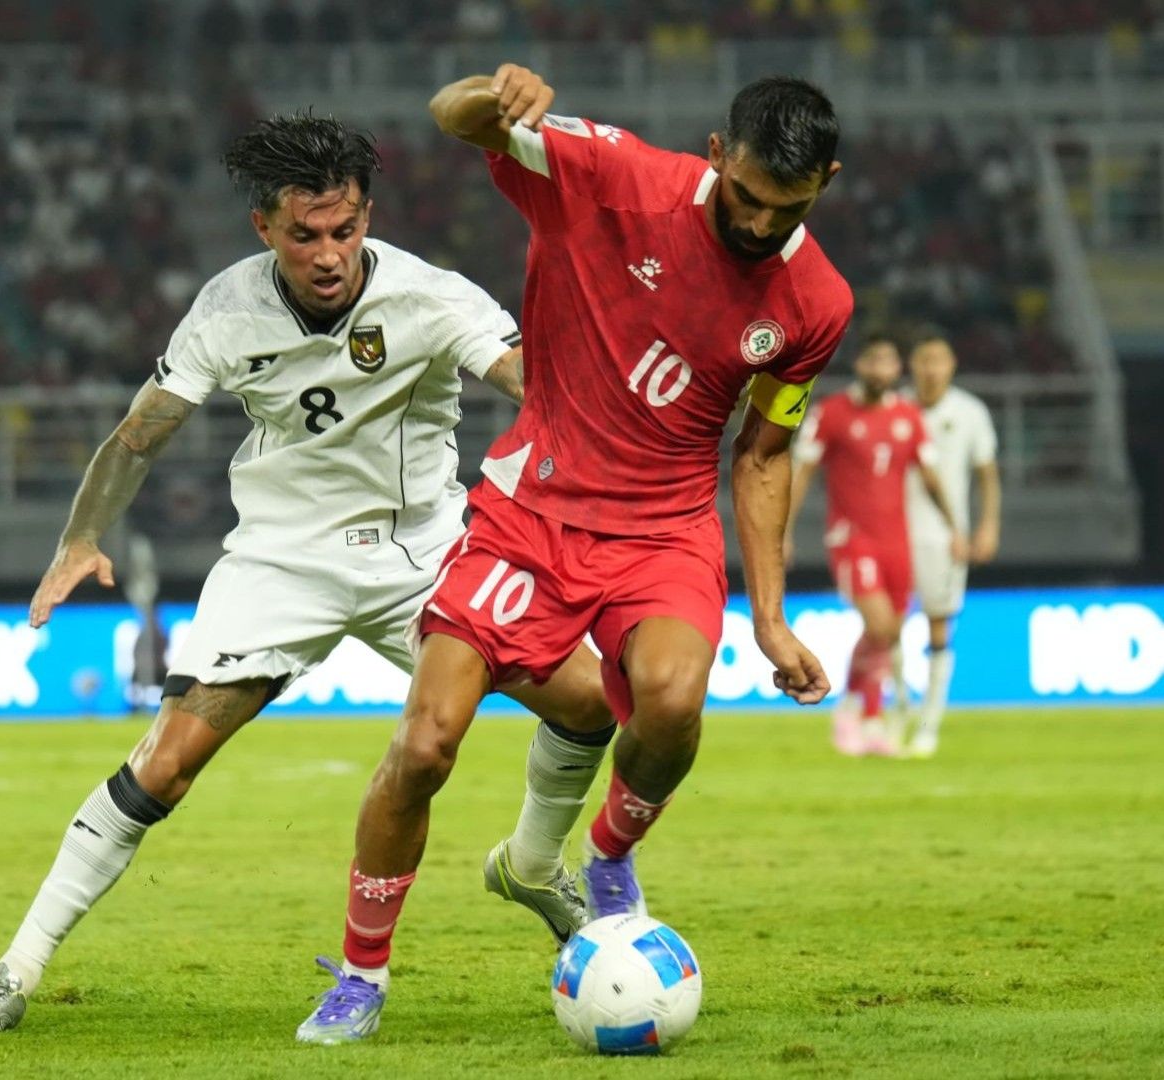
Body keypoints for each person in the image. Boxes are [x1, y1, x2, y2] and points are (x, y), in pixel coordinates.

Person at [0, 114, 615, 1037]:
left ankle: (533, 864)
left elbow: (533, 381)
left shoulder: (431, 297)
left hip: (427, 560)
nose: (329, 255)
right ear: (265, 228)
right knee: (163, 767)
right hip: (279, 561)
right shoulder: (226, 310)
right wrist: (80, 536)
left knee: (593, 705)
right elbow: (141, 433)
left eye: (344, 231)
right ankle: (14, 971)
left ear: (366, 216)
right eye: (305, 235)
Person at [298, 64, 852, 1044]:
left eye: (788, 208)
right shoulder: (614, 174)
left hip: (665, 527)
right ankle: (360, 972)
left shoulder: (817, 304)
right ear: (718, 156)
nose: (761, 225)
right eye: (749, 197)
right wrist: (494, 93)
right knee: (425, 743)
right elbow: (450, 117)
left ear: (827, 183)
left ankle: (602, 861)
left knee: (675, 702)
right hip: (534, 506)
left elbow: (765, 458)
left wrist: (770, 617)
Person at [786, 333, 964, 757]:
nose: (881, 369)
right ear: (859, 366)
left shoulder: (908, 416)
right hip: (852, 537)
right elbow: (802, 472)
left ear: (896, 370)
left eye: (888, 361)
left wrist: (954, 527)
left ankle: (858, 709)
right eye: (873, 360)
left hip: (896, 540)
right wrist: (783, 532)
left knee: (889, 632)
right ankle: (861, 714)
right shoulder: (831, 413)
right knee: (882, 626)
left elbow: (931, 477)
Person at [891, 330, 1000, 757]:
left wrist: (987, 526)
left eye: (939, 360)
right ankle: (900, 708)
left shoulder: (969, 411)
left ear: (951, 365)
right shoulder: (894, 408)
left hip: (944, 536)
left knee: (939, 625)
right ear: (911, 365)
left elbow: (987, 472)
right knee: (888, 628)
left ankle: (929, 723)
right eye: (923, 360)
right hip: (892, 533)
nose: (931, 369)